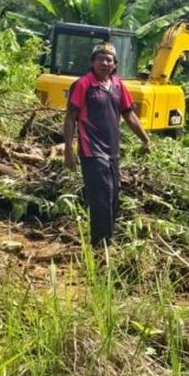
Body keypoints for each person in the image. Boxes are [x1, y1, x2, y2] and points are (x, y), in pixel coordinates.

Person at [63, 42, 151, 244]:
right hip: (91, 149)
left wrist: (145, 139)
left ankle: (108, 241)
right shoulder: (83, 85)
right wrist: (68, 149)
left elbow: (130, 116)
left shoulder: (119, 86)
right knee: (100, 198)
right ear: (92, 62)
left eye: (109, 59)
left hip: (112, 150)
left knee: (112, 197)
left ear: (114, 64)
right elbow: (70, 118)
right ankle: (100, 247)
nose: (104, 63)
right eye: (100, 59)